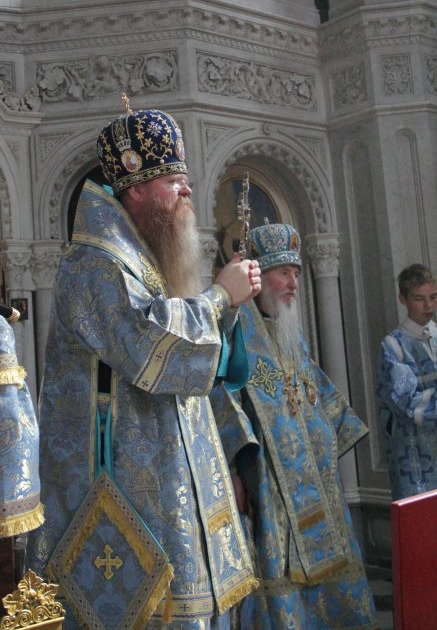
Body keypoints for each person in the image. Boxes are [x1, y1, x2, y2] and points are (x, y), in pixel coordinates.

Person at [26, 102, 262, 629]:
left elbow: (197, 357)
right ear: (136, 188)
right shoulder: (95, 261)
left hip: (168, 467)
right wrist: (219, 298)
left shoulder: (146, 255)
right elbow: (146, 342)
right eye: (174, 181)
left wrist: (227, 308)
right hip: (121, 484)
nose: (188, 191)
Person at [210, 221, 377, 629]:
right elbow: (218, 399)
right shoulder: (234, 333)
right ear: (258, 279)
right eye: (283, 273)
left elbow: (314, 389)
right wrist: (232, 471)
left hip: (318, 479)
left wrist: (330, 433)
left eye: (297, 274)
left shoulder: (290, 334)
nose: (293, 284)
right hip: (268, 484)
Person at [377, 263, 437, 499]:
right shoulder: (393, 346)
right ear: (403, 299)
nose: (428, 306)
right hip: (415, 453)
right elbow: (405, 402)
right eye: (419, 299)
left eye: (433, 297)